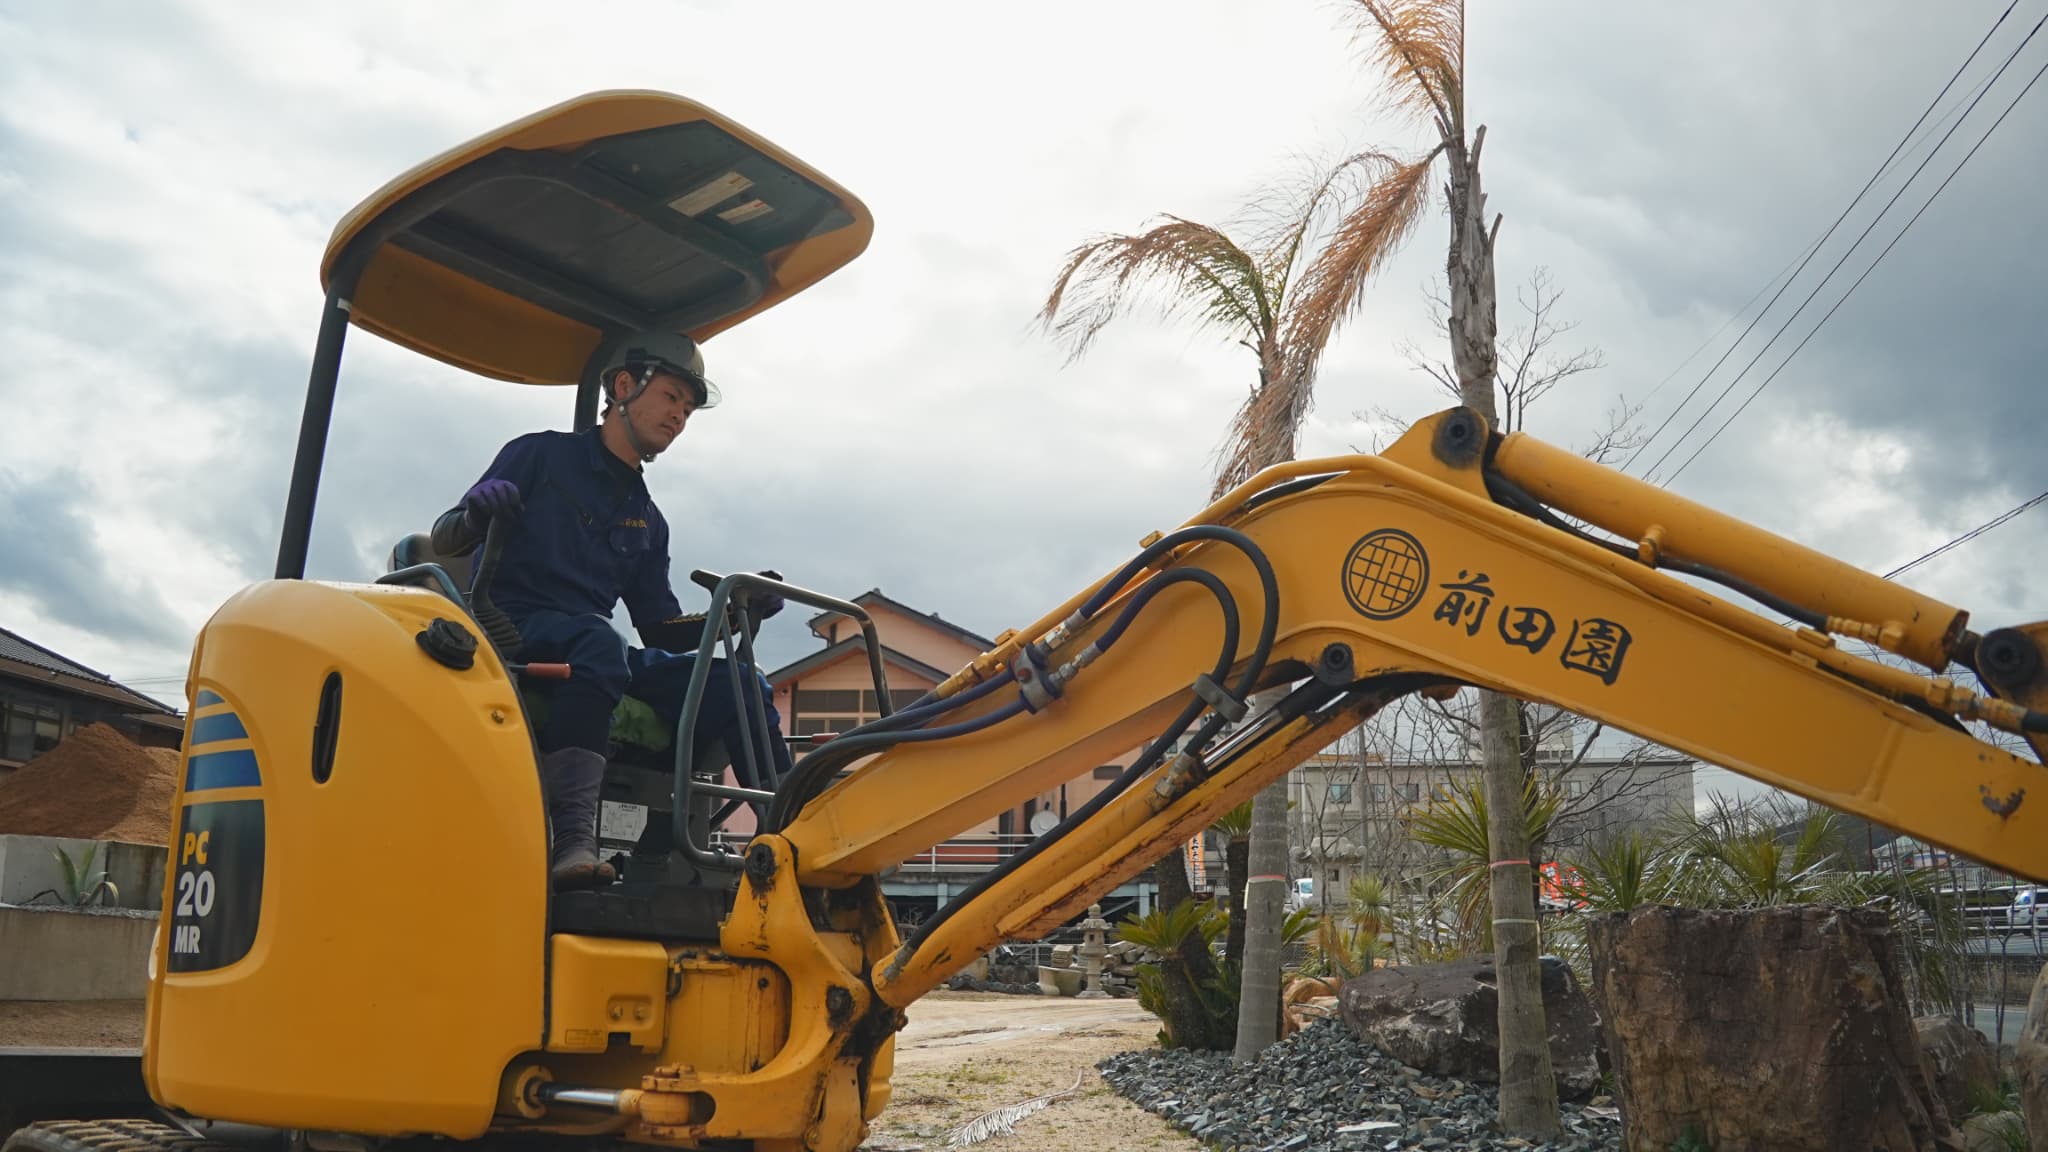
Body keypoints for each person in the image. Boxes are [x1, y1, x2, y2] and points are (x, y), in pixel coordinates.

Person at [431, 329, 793, 891]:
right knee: (600, 642)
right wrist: (478, 514)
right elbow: (447, 538)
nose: (680, 417)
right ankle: (572, 839)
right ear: (624, 386)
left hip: (593, 645)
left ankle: (797, 841)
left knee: (739, 681)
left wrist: (733, 615)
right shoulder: (539, 454)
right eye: (672, 397)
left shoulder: (647, 518)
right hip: (509, 630)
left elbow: (660, 630)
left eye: (690, 409)